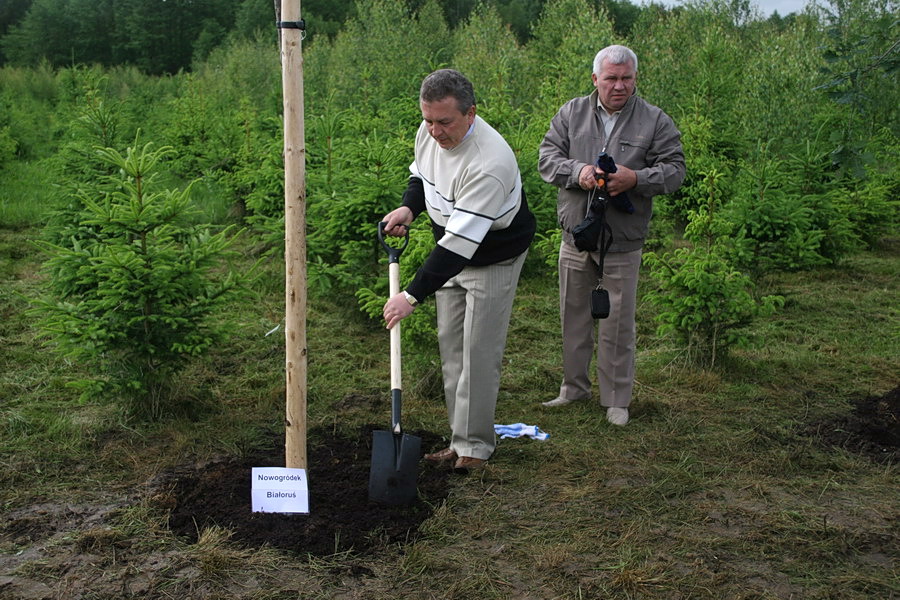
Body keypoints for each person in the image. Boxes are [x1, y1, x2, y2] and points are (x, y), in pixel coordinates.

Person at [381, 69, 536, 472]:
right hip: (451, 248)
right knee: (451, 345)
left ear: (471, 114)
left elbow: (459, 247)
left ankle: (476, 449)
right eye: (428, 119)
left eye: (444, 122)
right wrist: (409, 207)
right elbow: (422, 174)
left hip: (492, 256)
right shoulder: (429, 130)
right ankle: (458, 438)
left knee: (479, 352)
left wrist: (411, 295)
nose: (434, 131)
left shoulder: (488, 163)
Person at [537, 45, 685, 425]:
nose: (619, 86)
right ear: (595, 80)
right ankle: (573, 389)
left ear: (635, 79)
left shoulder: (655, 120)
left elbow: (675, 170)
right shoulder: (570, 113)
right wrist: (579, 173)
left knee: (618, 322)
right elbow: (547, 160)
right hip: (576, 237)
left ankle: (616, 399)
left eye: (626, 78)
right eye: (611, 78)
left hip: (622, 241)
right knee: (573, 316)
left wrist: (635, 178)